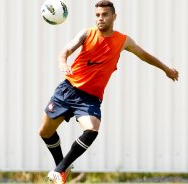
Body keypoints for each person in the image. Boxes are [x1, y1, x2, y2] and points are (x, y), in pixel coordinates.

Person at [38, 1, 179, 183]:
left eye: (104, 14)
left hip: (89, 99)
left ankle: (60, 169)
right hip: (67, 90)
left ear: (114, 17)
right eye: (97, 15)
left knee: (92, 129)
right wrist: (63, 62)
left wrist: (166, 69)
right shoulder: (87, 33)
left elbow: (144, 55)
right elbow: (65, 50)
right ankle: (62, 166)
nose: (100, 18)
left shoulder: (123, 40)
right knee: (45, 132)